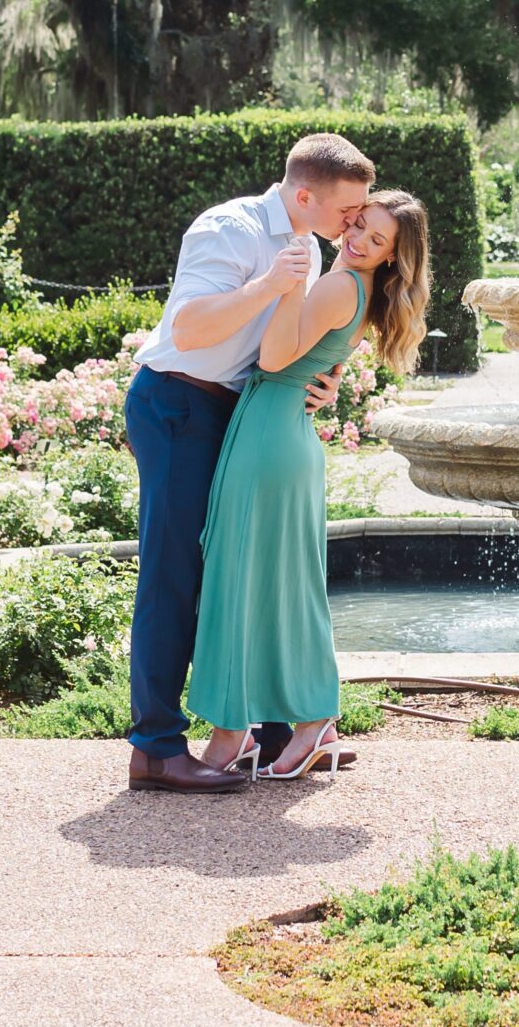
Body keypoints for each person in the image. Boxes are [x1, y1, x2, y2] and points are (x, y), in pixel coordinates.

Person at [124, 133, 375, 794]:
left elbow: (289, 343)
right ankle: (155, 748)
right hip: (177, 404)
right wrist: (269, 283)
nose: (356, 220)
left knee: (242, 567)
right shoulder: (228, 229)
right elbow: (189, 330)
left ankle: (266, 734)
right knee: (174, 574)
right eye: (350, 208)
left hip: (235, 413)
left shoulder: (312, 246)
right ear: (304, 196)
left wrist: (323, 383)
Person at [189, 191, 431, 782]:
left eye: (377, 242)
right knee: (282, 584)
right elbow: (312, 354)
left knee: (240, 578)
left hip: (270, 432)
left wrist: (290, 278)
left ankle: (239, 733)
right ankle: (304, 725)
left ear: (393, 258)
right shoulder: (359, 289)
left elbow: (272, 360)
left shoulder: (336, 285)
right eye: (359, 226)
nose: (358, 241)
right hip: (284, 434)